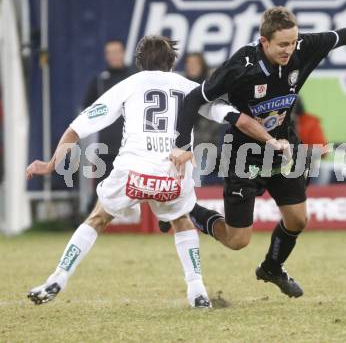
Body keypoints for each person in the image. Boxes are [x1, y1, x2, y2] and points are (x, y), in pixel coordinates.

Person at [172, 6, 346, 298]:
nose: (289, 50)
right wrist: (182, 146)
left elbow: (345, 36)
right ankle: (188, 210)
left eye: (292, 42)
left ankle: (271, 268)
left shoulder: (303, 48)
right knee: (237, 240)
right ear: (263, 41)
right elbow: (194, 99)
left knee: (298, 220)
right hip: (243, 157)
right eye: (282, 44)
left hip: (283, 150)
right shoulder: (241, 65)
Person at [26, 36, 221, 308]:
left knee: (97, 218)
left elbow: (77, 128)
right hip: (173, 174)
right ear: (172, 61)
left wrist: (49, 164)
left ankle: (58, 278)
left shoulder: (128, 85)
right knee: (182, 221)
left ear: (139, 62)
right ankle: (197, 291)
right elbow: (226, 113)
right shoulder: (190, 87)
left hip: (132, 172)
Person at [83, 39, 135, 212]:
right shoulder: (99, 81)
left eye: (116, 51)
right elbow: (87, 110)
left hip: (134, 144)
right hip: (107, 144)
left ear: (123, 53)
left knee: (142, 181)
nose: (113, 56)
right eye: (109, 53)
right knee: (102, 186)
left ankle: (161, 218)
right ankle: (89, 218)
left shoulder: (135, 77)